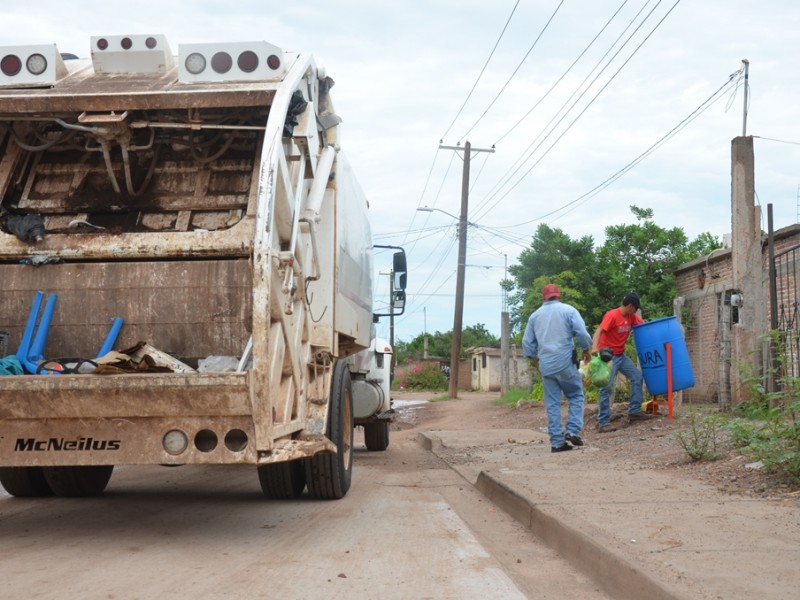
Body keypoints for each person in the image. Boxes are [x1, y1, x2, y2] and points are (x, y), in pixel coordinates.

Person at [522, 284, 592, 452]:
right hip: (565, 362)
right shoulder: (568, 310)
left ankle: (557, 443)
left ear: (543, 297)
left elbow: (526, 342)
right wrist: (585, 349)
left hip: (546, 366)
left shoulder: (534, 316)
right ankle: (573, 431)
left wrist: (534, 360)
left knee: (552, 404)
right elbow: (582, 333)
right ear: (558, 295)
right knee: (576, 395)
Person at [591, 292, 654, 432]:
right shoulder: (612, 315)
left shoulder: (631, 317)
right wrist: (594, 347)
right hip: (608, 357)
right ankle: (603, 422)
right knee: (606, 387)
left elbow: (644, 327)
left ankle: (634, 411)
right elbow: (599, 331)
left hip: (621, 355)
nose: (636, 311)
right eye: (636, 308)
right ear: (630, 306)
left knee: (637, 377)